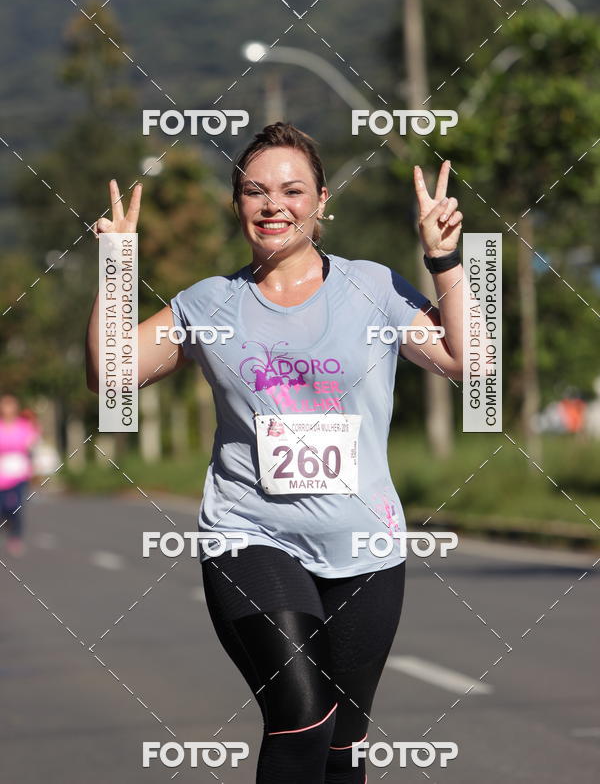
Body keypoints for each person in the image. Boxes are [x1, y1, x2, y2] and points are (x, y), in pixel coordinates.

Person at [86, 122, 464, 783]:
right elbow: (111, 373)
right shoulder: (209, 303)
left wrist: (446, 262)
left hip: (366, 548)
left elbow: (472, 363)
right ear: (237, 206)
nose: (273, 205)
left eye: (292, 190)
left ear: (322, 202)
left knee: (344, 748)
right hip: (248, 534)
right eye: (255, 192)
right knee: (301, 714)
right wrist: (117, 264)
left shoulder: (373, 289)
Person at [0, 393, 41, 557]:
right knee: (3, 506)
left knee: (15, 505)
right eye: (5, 404)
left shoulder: (25, 426)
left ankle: (16, 537)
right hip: (2, 475)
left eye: (11, 404)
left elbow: (33, 447)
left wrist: (35, 465)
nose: (8, 408)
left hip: (20, 474)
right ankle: (7, 522)